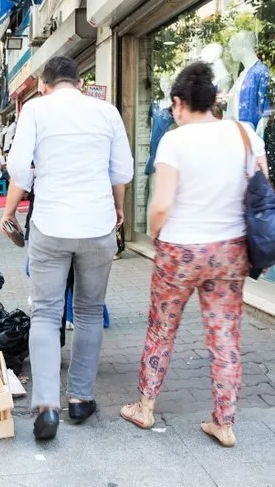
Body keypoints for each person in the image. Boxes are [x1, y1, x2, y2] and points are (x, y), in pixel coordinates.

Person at [119, 63, 270, 447]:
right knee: (225, 337)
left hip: (180, 250)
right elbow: (262, 191)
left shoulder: (176, 140)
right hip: (231, 250)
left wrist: (155, 234)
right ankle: (224, 422)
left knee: (161, 328)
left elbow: (161, 204)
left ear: (179, 102)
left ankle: (145, 406)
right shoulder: (245, 134)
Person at [1, 56, 133, 441]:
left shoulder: (36, 110)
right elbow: (120, 171)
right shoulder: (106, 112)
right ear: (78, 81)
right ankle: (79, 398)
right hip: (96, 225)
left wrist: (9, 212)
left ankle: (46, 405)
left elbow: (20, 170)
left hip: (51, 224)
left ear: (44, 84)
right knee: (90, 312)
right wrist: (118, 208)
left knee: (45, 312)